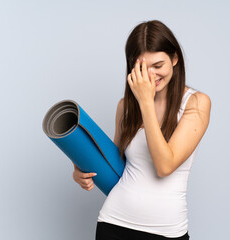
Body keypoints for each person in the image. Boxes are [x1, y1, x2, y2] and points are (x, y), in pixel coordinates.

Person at [73, 20, 211, 240]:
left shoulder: (195, 103)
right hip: (114, 222)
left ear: (174, 59)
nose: (150, 76)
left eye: (158, 66)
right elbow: (114, 166)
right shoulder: (125, 106)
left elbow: (165, 166)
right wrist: (82, 169)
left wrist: (145, 102)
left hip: (166, 231)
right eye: (141, 67)